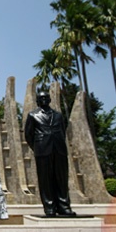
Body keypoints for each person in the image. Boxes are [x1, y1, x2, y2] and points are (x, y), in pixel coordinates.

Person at [24, 89, 76, 217]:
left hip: (59, 149)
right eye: (41, 98)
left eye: (46, 98)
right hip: (42, 150)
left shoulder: (58, 115)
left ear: (50, 99)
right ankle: (49, 207)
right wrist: (37, 147)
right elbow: (28, 135)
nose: (44, 100)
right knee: (45, 180)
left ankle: (64, 206)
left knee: (61, 179)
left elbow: (63, 132)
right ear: (37, 101)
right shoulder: (32, 115)